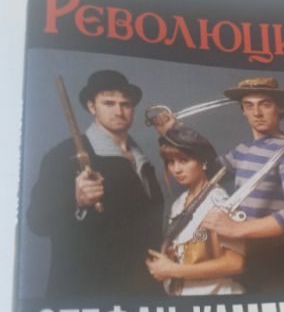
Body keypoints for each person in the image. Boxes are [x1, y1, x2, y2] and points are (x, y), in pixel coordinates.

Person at [27, 69, 163, 296]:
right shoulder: (62, 155)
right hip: (88, 293)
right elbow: (36, 221)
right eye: (109, 103)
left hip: (140, 291)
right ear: (92, 107)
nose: (118, 111)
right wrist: (76, 201)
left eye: (125, 104)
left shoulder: (142, 159)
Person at [201, 76, 284, 289]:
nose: (257, 113)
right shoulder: (243, 150)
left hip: (274, 260)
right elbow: (204, 172)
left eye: (265, 104)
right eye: (249, 106)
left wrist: (236, 229)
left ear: (280, 108)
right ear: (243, 111)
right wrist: (173, 130)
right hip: (243, 255)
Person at [146, 126, 244, 295]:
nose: (176, 169)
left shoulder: (220, 203)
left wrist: (173, 270)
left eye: (183, 161)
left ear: (203, 162)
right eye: (171, 162)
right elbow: (198, 242)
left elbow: (234, 264)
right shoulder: (178, 204)